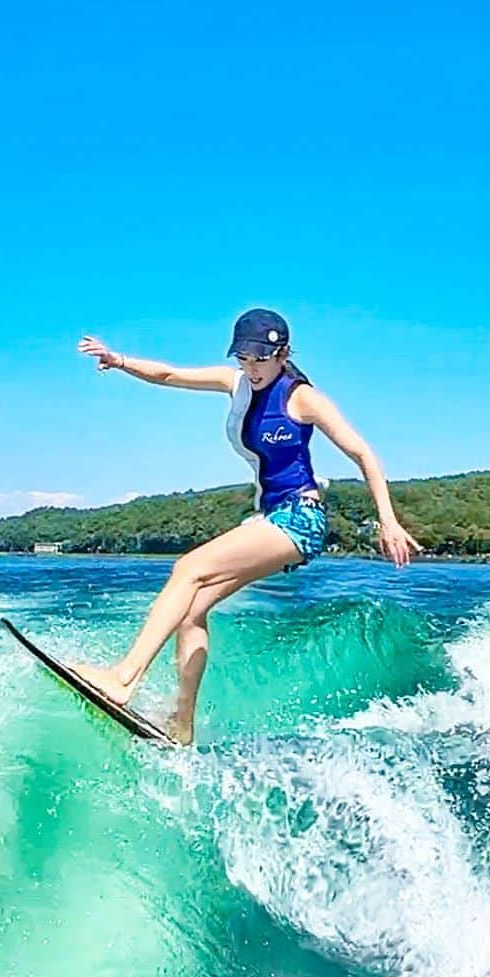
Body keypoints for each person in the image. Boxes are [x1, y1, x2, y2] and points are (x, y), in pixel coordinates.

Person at [74, 307, 421, 742]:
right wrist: (119, 360)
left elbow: (363, 453)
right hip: (270, 517)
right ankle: (182, 725)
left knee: (187, 569)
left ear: (283, 353)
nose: (252, 368)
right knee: (191, 609)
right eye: (245, 357)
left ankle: (124, 678)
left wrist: (387, 521)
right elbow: (168, 375)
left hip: (301, 518)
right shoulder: (235, 382)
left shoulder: (301, 397)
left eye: (261, 358)